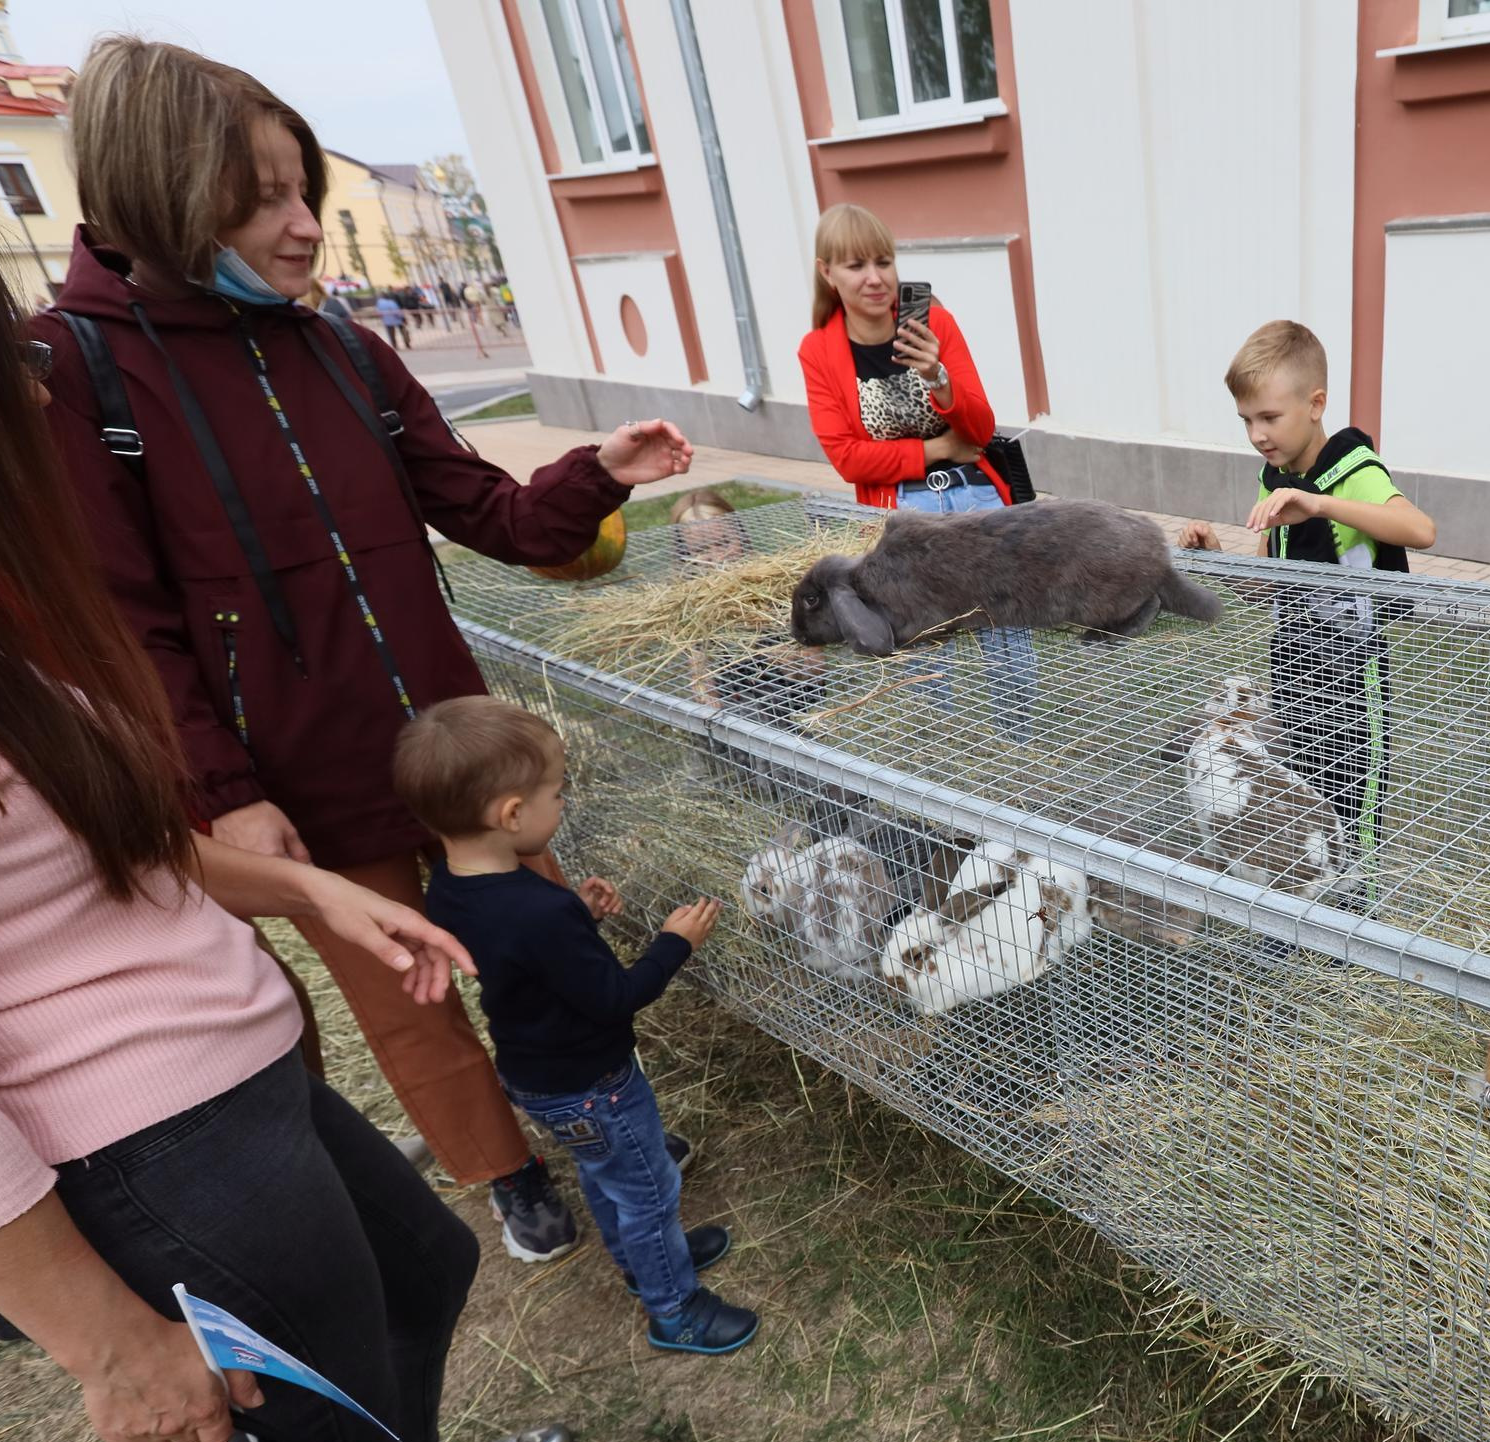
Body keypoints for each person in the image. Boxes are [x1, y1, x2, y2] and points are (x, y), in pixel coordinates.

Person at [0, 186, 613, 1442]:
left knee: (418, 1272)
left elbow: (114, 842)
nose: (33, 380)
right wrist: (107, 1340)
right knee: (317, 1395)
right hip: (135, 1132)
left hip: (221, 1071)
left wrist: (306, 887)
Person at [31, 38, 695, 1264]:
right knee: (410, 994)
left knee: (541, 948)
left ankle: (593, 1112)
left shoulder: (340, 348)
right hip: (303, 780)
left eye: (307, 193)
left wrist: (593, 475)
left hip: (453, 749)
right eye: (264, 199)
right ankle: (503, 1170)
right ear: (163, 195)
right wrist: (225, 791)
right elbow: (123, 623)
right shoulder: (81, 373)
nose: (304, 228)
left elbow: (489, 512)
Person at [401, 699, 761, 1355]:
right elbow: (615, 997)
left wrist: (579, 917)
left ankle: (644, 1264)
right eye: (557, 793)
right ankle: (675, 1311)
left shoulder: (448, 887)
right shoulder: (539, 911)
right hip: (597, 1086)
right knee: (650, 1192)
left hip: (538, 1079)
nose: (563, 803)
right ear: (512, 814)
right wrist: (674, 943)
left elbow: (524, 959)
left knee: (605, 1177)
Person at [1178, 321, 1438, 861]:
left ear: (1316, 404)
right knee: (1300, 800)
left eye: (1270, 417)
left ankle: (1358, 901)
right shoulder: (1272, 477)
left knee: (1355, 805)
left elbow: (1421, 530)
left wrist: (1318, 503)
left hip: (1352, 671)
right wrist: (1216, 559)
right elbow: (1264, 585)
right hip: (1292, 664)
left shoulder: (1354, 469)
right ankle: (1302, 899)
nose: (1257, 434)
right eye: (1247, 420)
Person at [796, 202, 1036, 740]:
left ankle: (1019, 743)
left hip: (975, 500)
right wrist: (937, 448)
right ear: (827, 272)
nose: (875, 278)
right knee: (922, 646)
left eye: (884, 261)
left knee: (1007, 633)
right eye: (856, 265)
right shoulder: (819, 351)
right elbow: (848, 457)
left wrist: (938, 377)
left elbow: (980, 429)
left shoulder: (935, 324)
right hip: (901, 513)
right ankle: (939, 752)